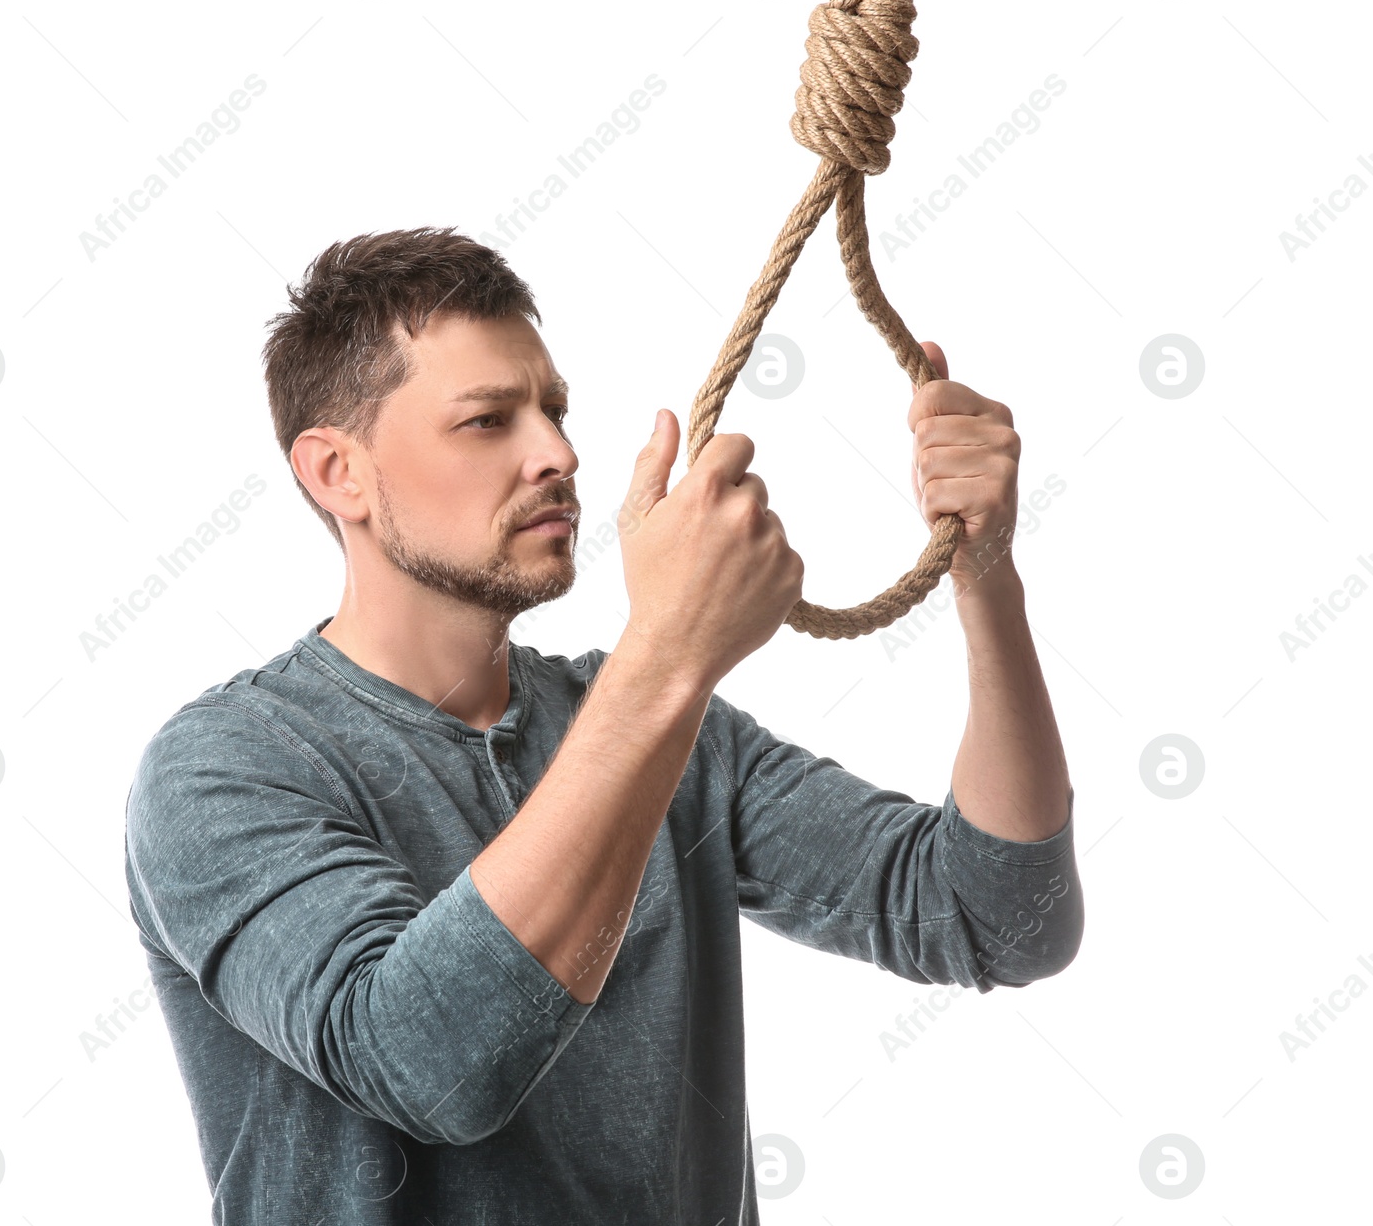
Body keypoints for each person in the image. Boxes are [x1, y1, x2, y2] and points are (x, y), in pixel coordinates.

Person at [123, 226, 1083, 1223]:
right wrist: (665, 653)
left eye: (555, 410)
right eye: (488, 420)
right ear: (336, 473)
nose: (557, 453)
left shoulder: (673, 729)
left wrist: (985, 576)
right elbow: (424, 1063)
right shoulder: (223, 768)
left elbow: (1005, 919)